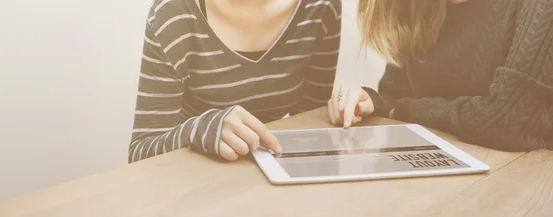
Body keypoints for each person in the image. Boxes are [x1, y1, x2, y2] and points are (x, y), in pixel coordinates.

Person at [129, 0, 344, 163]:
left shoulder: (321, 7)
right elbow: (140, 152)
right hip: (196, 185)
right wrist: (202, 129)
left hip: (274, 185)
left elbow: (311, 127)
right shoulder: (174, 12)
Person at [332, 0, 553, 151]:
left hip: (525, 185)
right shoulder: (420, 7)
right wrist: (370, 102)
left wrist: (407, 109)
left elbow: (510, 123)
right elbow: (397, 99)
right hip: (447, 178)